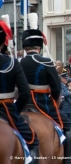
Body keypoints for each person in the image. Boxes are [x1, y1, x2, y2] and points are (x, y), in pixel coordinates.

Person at [20, 29, 71, 164]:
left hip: (21, 105)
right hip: (44, 105)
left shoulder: (18, 62)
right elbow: (56, 88)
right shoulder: (46, 62)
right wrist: (55, 101)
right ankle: (67, 160)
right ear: (39, 46)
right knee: (68, 126)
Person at [0, 20, 39, 162]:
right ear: (3, 42)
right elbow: (24, 93)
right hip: (7, 109)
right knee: (32, 139)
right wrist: (15, 109)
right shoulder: (12, 62)